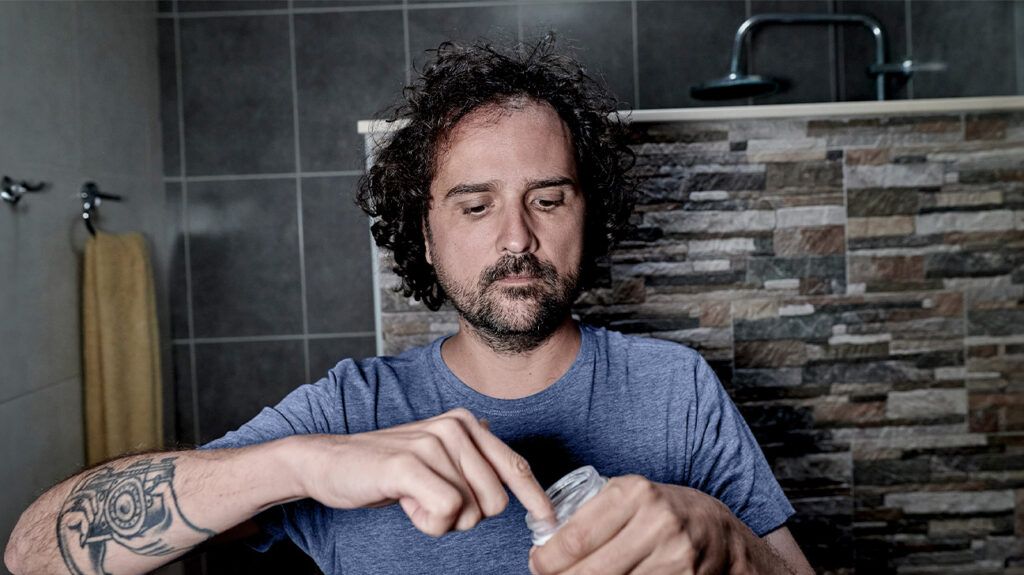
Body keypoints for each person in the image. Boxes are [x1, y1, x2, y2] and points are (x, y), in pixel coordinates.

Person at [4, 38, 814, 575]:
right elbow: (32, 552)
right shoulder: (352, 407)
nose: (516, 238)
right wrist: (305, 462)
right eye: (473, 205)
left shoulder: (675, 390)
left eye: (549, 198)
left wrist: (728, 542)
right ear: (424, 237)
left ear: (586, 213)